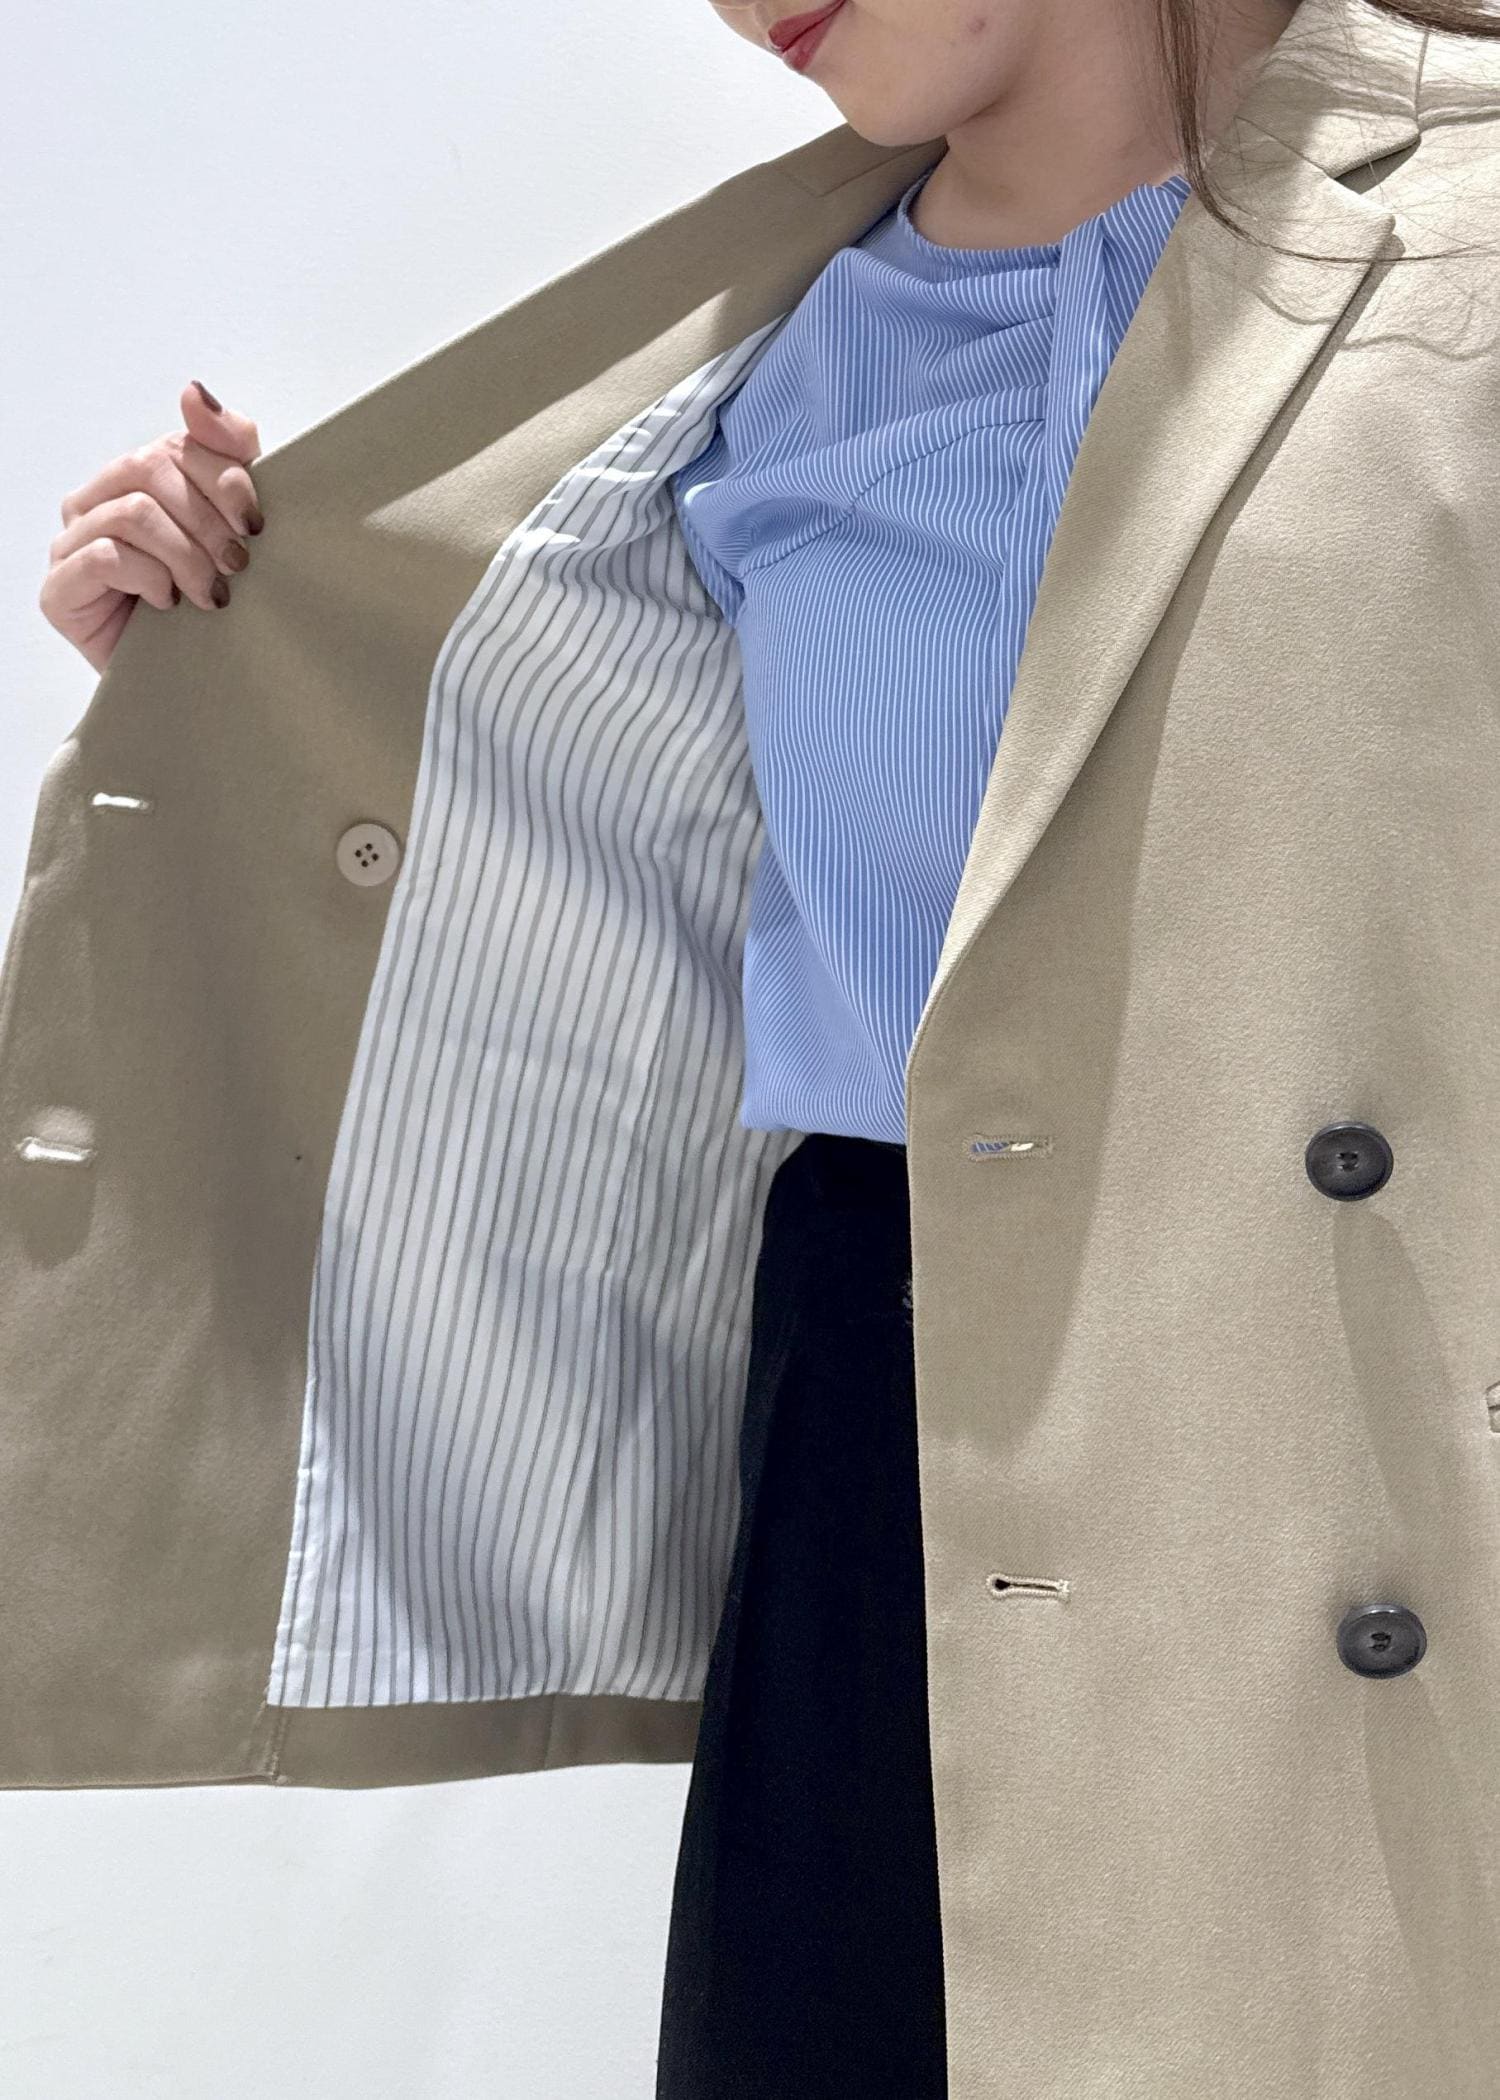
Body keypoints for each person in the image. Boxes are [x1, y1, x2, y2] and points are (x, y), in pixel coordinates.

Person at [26, 2, 1500, 2094]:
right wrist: (220, 661)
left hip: (1376, 1378)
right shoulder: (773, 354)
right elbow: (552, 844)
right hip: (900, 1403)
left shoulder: (1461, 221)